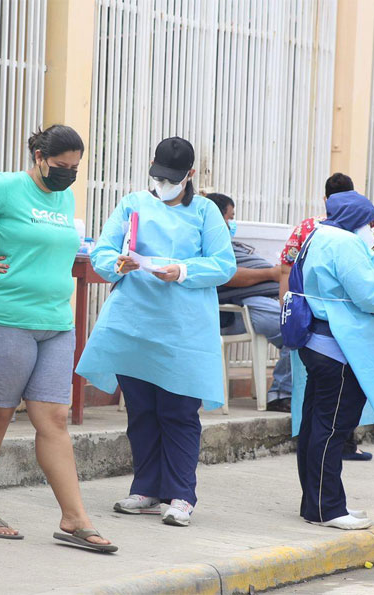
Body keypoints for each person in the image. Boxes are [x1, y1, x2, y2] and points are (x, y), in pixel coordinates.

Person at [0, 124, 116, 553]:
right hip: (2, 318)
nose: (67, 174)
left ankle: (75, 519)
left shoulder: (64, 195)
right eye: (60, 166)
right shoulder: (6, 187)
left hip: (55, 322)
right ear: (37, 155)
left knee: (53, 419)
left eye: (74, 168)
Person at [76, 137, 236, 527]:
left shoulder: (205, 212)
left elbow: (223, 264)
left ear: (190, 176)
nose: (164, 185)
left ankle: (182, 495)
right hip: (135, 323)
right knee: (142, 409)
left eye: (173, 179)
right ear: (151, 166)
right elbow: (102, 250)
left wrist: (182, 271)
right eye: (159, 176)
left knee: (179, 412)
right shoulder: (133, 203)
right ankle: (146, 488)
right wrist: (116, 263)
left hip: (183, 326)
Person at [291, 191, 374, 530]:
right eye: (371, 224)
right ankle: (328, 509)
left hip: (317, 343)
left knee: (316, 426)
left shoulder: (318, 234)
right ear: (356, 221)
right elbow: (369, 295)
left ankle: (316, 503)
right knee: (332, 429)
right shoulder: (345, 243)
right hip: (338, 348)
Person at [280, 173, 374, 461]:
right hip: (344, 335)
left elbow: (286, 270)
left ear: (326, 200)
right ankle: (328, 496)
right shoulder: (356, 236)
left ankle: (319, 497)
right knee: (336, 412)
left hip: (305, 325)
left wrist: (290, 310)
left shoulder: (309, 229)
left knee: (313, 404)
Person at [206, 192, 291, 410]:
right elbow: (226, 274)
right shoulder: (211, 245)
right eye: (230, 217)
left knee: (308, 323)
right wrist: (271, 274)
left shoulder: (230, 243)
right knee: (296, 328)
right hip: (245, 303)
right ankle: (281, 394)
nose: (232, 223)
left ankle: (293, 390)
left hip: (265, 298)